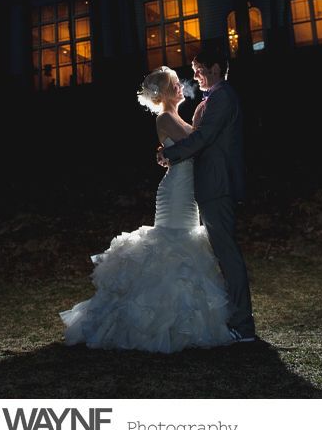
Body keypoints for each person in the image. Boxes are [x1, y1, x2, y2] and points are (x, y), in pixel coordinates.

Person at [58, 66, 234, 353]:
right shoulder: (166, 117)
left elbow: (192, 143)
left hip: (187, 191)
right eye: (176, 84)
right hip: (176, 191)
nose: (181, 87)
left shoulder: (175, 116)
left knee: (184, 247)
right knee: (173, 247)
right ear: (164, 92)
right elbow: (197, 144)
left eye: (180, 83)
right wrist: (202, 121)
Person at [157, 45, 257, 342]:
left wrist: (170, 154)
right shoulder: (212, 98)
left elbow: (204, 138)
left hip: (218, 185)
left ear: (215, 69)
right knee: (221, 253)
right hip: (210, 185)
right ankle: (233, 319)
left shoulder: (223, 96)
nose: (196, 76)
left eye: (200, 70)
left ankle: (243, 326)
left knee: (227, 254)